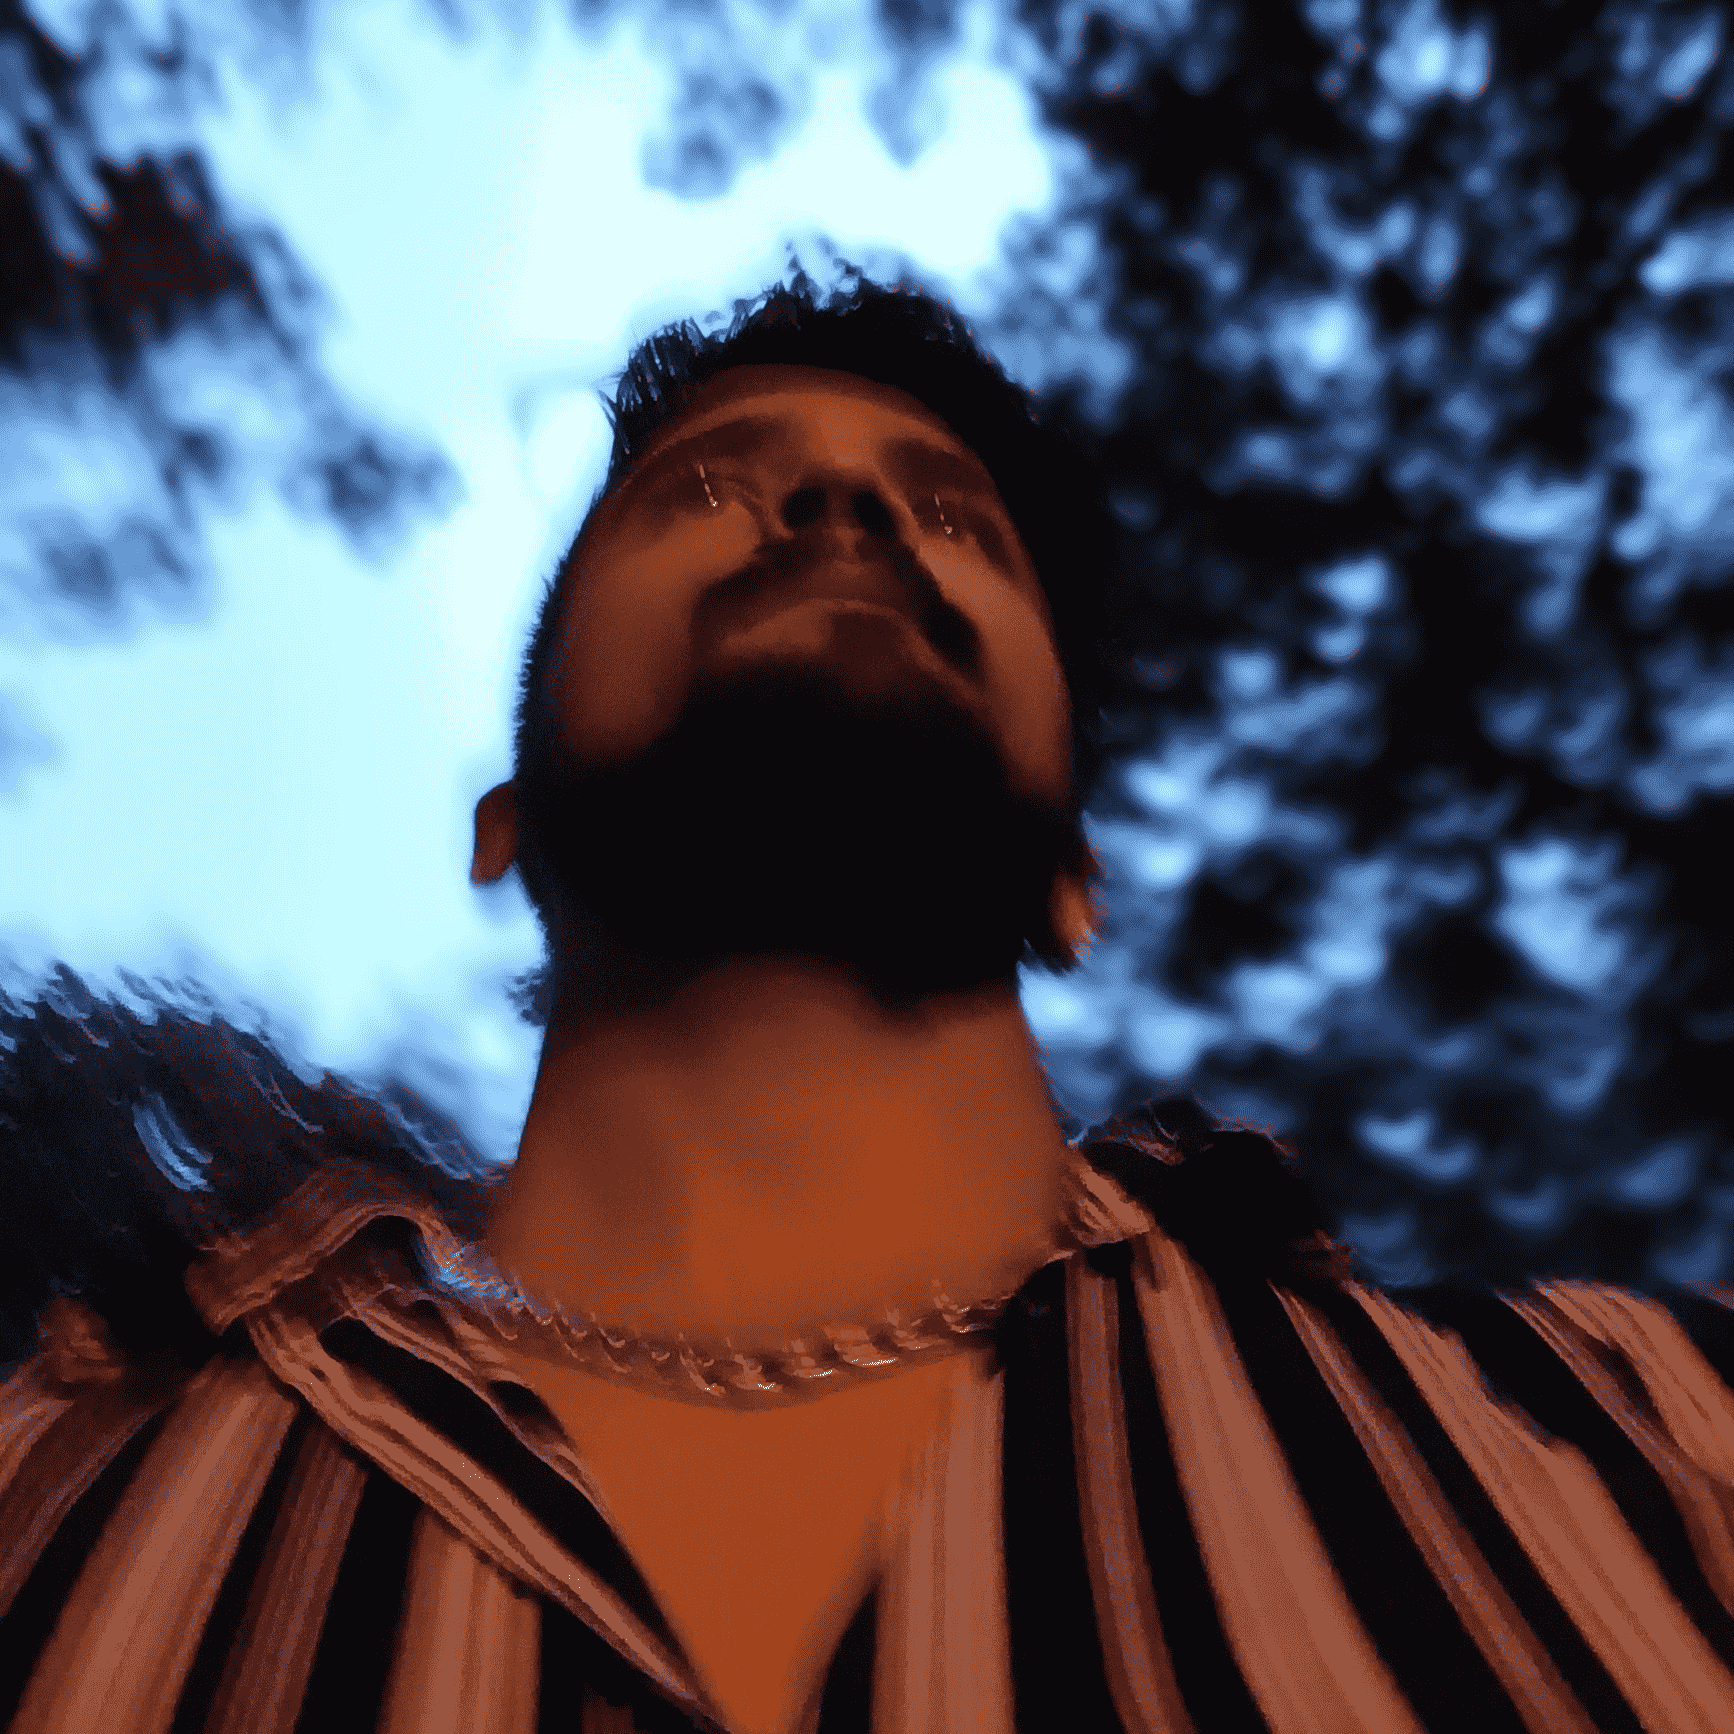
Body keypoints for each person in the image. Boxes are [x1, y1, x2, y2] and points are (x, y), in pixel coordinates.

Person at [5, 268, 1734, 1734]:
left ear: (1075, 879)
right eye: (706, 486)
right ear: (502, 823)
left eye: (952, 515)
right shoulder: (42, 1483)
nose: (845, 510)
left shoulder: (1660, 1420)